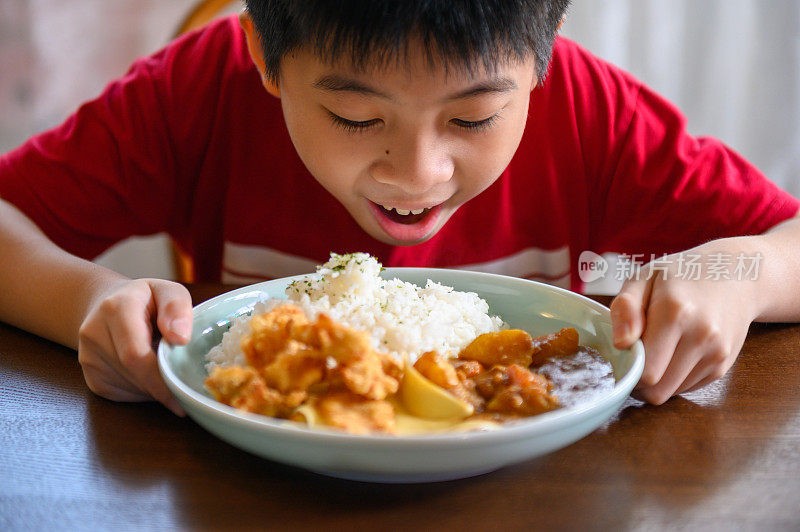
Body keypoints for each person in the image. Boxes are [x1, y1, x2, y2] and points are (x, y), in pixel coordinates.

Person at [0, 1, 797, 417]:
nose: (417, 174)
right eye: (355, 119)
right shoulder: (198, 94)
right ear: (261, 54)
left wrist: (746, 274)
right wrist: (93, 301)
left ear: (546, 47)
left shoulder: (596, 113)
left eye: (474, 119)